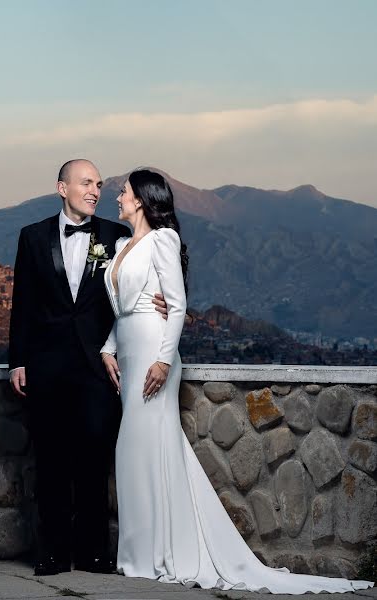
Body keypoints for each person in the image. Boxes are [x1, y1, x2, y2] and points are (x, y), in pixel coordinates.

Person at [100, 169, 373, 593]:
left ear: (141, 199)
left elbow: (176, 304)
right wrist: (107, 346)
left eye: (123, 191)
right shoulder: (120, 246)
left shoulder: (163, 240)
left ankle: (159, 554)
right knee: (135, 452)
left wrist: (164, 362)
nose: (117, 195)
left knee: (144, 445)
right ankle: (139, 555)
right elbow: (124, 307)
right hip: (130, 353)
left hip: (155, 354)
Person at [9, 159, 165, 576]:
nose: (95, 191)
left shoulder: (117, 235)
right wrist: (17, 361)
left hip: (99, 368)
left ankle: (95, 553)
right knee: (51, 462)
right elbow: (22, 303)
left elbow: (153, 267)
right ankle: (54, 553)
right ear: (62, 188)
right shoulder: (32, 237)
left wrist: (161, 301)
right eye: (86, 183)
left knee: (94, 463)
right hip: (46, 367)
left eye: (98, 184)